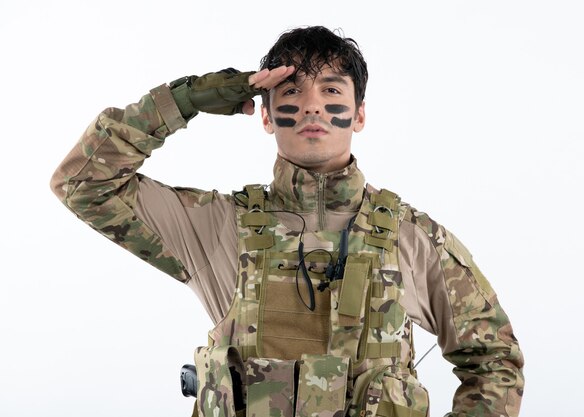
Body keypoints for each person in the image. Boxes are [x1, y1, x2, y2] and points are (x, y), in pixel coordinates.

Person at [50, 26, 524, 417]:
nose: (313, 105)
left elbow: (493, 359)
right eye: (292, 90)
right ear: (267, 115)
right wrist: (186, 99)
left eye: (331, 90)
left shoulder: (411, 237)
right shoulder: (218, 225)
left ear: (358, 115)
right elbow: (82, 182)